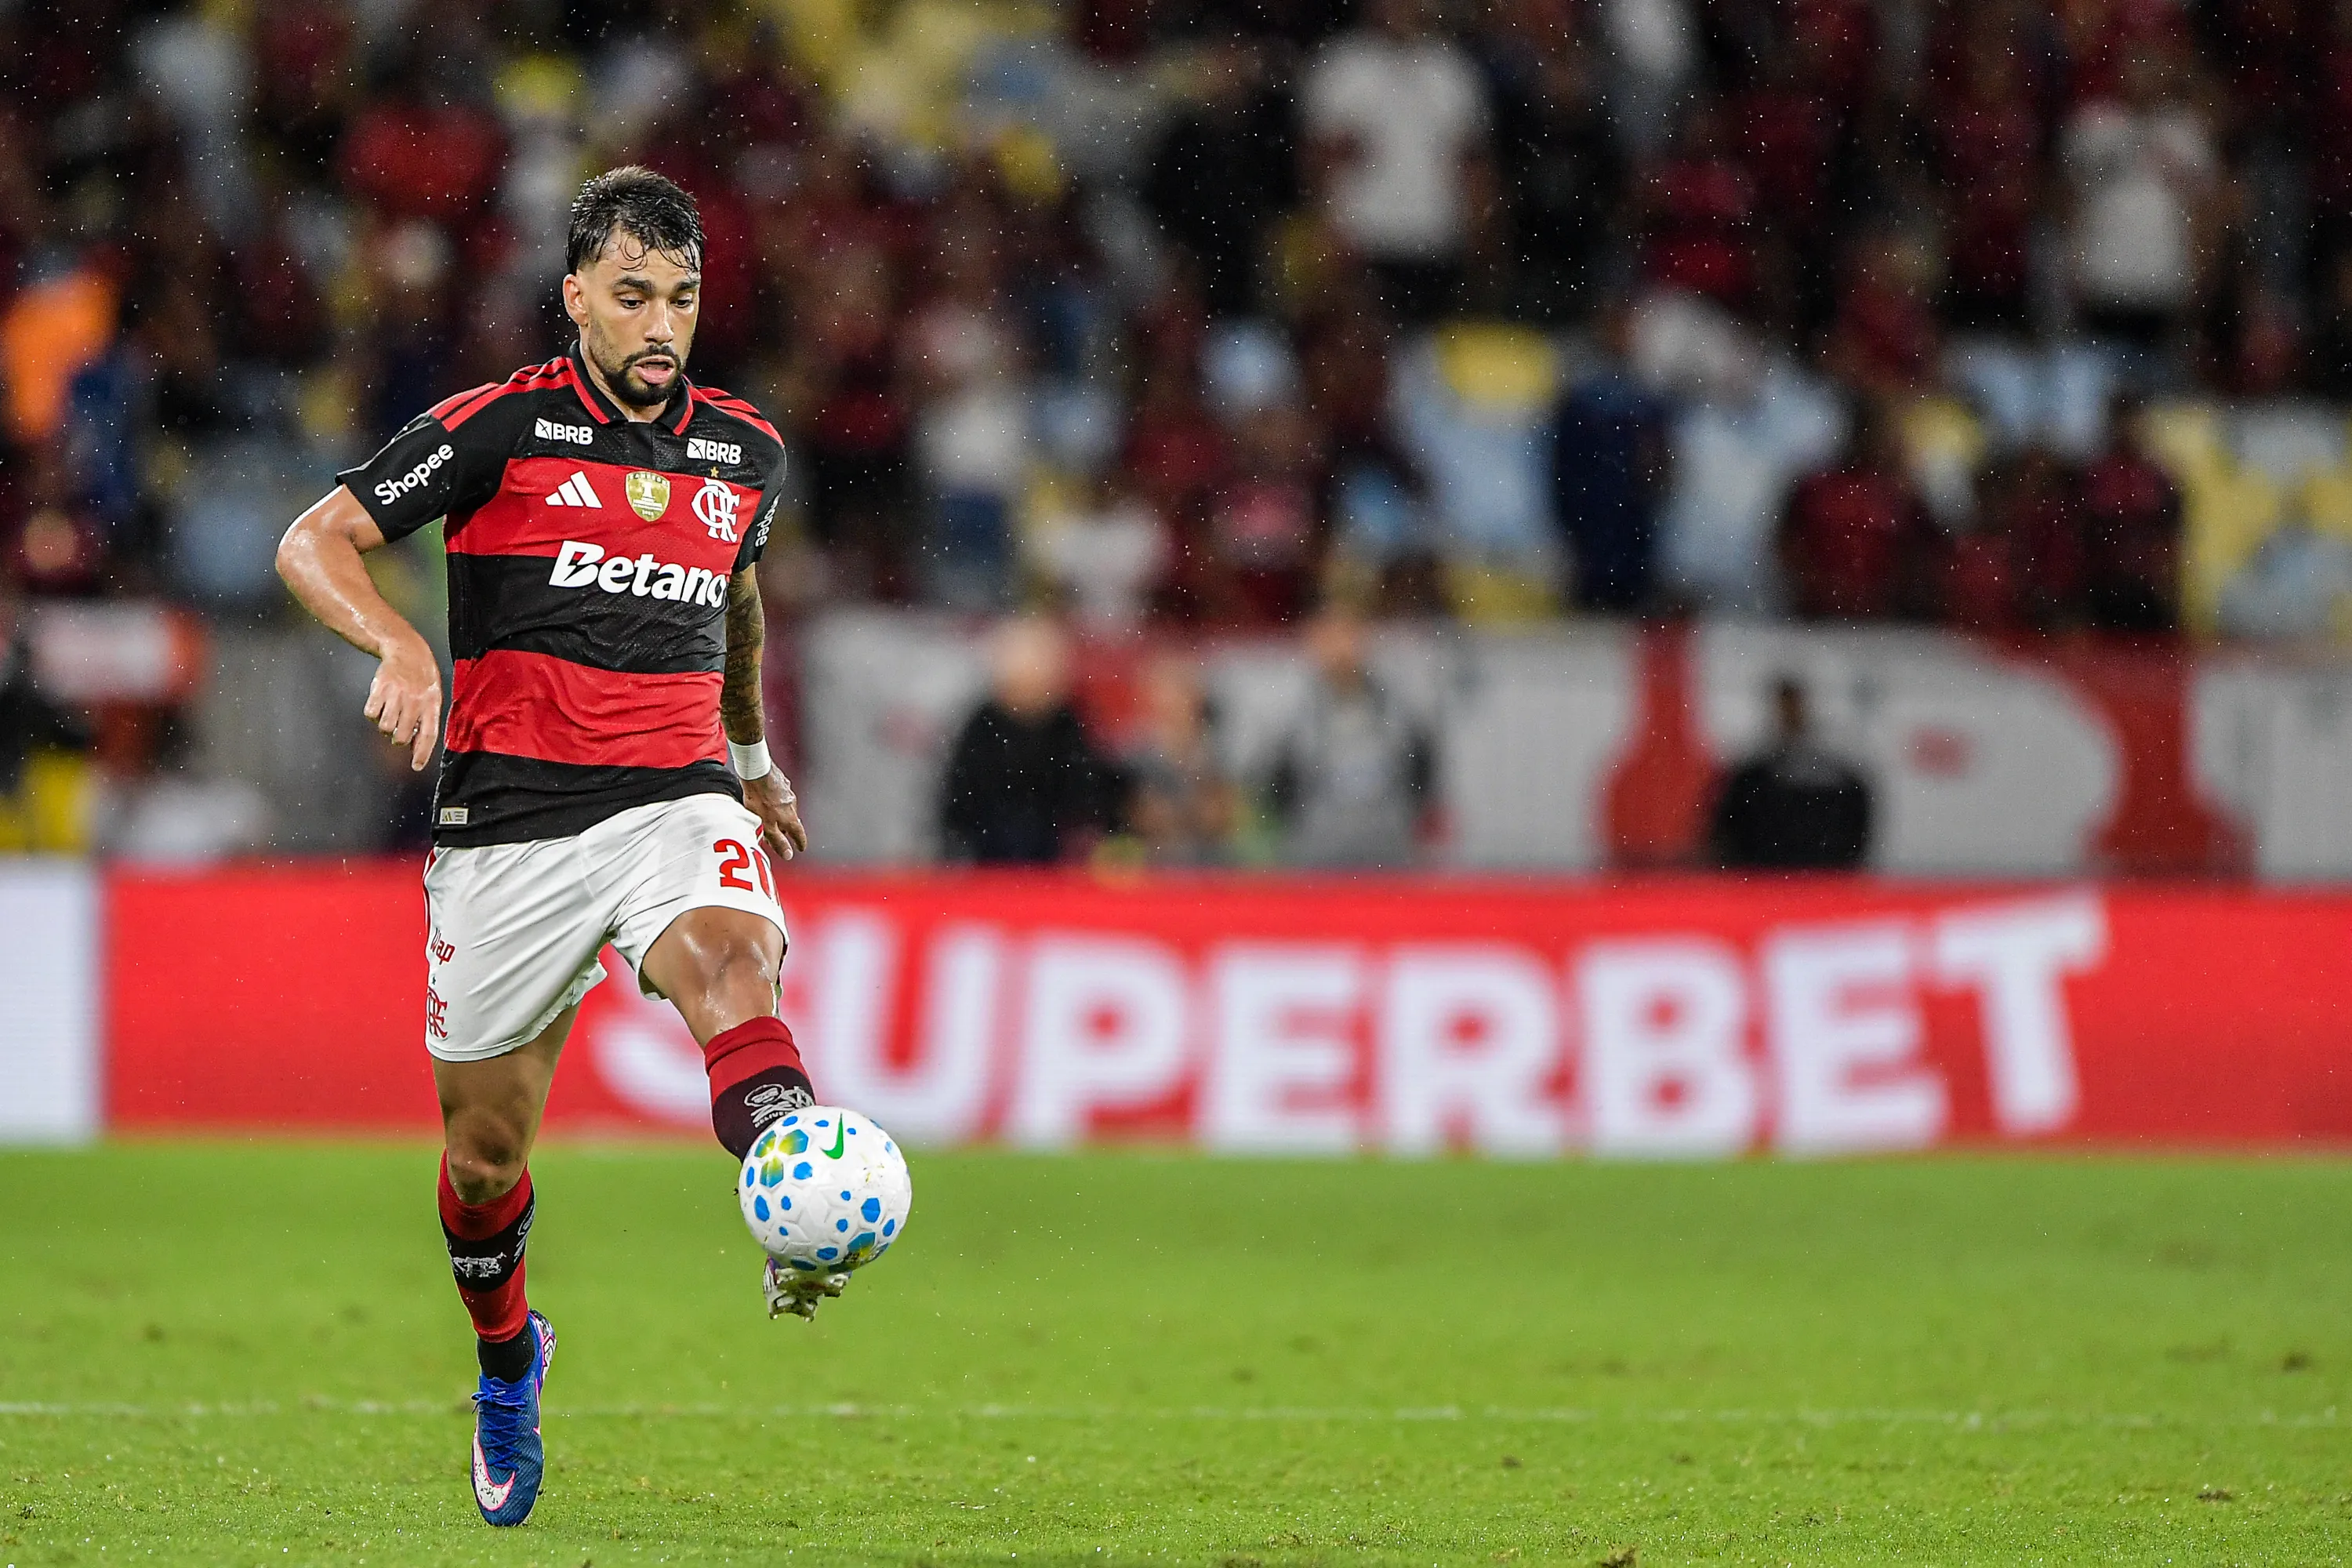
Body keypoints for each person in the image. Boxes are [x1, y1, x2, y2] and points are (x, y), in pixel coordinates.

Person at [274, 169, 823, 1532]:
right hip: (508, 829)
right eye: (632, 293)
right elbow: (312, 541)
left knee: (731, 963)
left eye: (682, 298)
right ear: (575, 292)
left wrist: (750, 767)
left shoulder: (743, 454)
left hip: (673, 800)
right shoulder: (500, 426)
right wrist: (400, 639)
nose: (660, 323)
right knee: (482, 1157)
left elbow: (736, 610)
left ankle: (794, 1194)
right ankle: (510, 1357)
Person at [1268, 602, 1436, 868]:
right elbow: (1276, 789)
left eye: (1349, 636)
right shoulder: (1292, 716)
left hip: (1389, 862)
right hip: (1316, 864)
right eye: (1331, 638)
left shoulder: (1400, 711)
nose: (1341, 650)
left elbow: (1423, 778)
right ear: (1315, 643)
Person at [936, 617, 1113, 864]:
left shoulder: (1067, 724)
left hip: (1054, 857)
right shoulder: (983, 723)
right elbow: (960, 799)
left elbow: (1087, 795)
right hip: (989, 856)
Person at [1710, 676, 1873, 871]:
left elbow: (1855, 827)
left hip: (1822, 879)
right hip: (1767, 880)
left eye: (1794, 706)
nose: (1790, 714)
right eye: (1785, 707)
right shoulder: (1751, 777)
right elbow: (1727, 829)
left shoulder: (1836, 774)